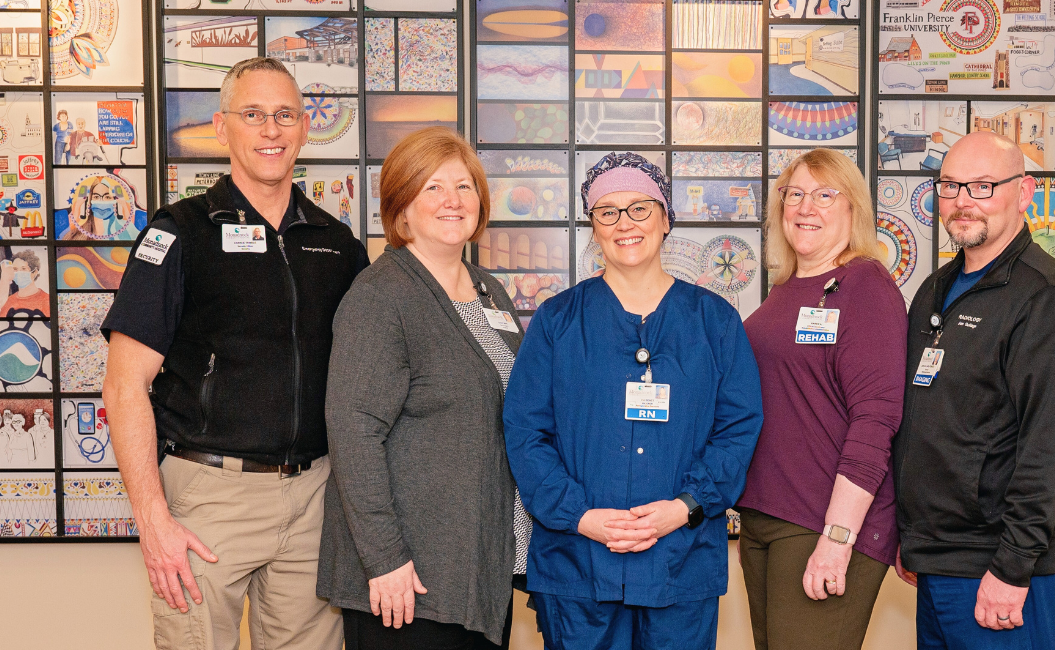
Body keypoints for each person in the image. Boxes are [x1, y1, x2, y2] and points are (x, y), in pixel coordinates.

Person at [102, 57, 366, 650]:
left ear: (304, 128)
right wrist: (153, 521)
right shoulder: (179, 233)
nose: (270, 130)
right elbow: (123, 387)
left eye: (284, 116)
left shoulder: (337, 243)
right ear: (222, 128)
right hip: (209, 495)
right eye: (253, 115)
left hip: (315, 497)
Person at [503, 152, 764, 650]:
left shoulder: (714, 322)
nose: (625, 224)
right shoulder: (557, 322)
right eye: (608, 211)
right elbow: (525, 432)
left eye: (640, 208)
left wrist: (685, 507)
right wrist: (581, 516)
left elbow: (738, 429)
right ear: (593, 228)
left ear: (666, 218)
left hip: (679, 560)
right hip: (578, 563)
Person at [318, 127, 529, 649]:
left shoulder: (489, 291)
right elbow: (353, 432)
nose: (453, 201)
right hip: (408, 581)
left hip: (476, 569)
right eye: (433, 187)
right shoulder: (381, 296)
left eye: (465, 187)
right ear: (401, 207)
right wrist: (385, 558)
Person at [892, 132, 1055, 650]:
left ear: (1025, 192)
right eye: (951, 185)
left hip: (997, 568)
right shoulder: (935, 289)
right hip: (936, 557)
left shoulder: (1049, 302)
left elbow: (1051, 449)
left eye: (984, 186)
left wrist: (1012, 568)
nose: (963, 200)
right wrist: (914, 538)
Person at [736, 149, 907, 650]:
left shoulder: (866, 286)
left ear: (852, 208)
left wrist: (837, 539)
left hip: (823, 523)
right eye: (795, 194)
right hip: (766, 515)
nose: (806, 207)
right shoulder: (787, 286)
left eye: (825, 194)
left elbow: (877, 420)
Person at [0, 250, 51, 317]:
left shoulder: (47, 300)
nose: (18, 272)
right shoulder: (7, 301)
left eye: (23, 269)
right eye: (15, 269)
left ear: (35, 272)